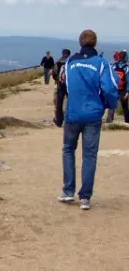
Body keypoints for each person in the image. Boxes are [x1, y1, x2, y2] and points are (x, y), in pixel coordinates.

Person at [58, 30, 118, 210]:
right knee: (89, 155)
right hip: (93, 114)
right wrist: (107, 105)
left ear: (80, 42)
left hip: (73, 113)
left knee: (68, 150)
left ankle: (68, 191)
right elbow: (110, 88)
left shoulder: (70, 62)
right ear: (95, 43)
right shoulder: (101, 63)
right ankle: (85, 197)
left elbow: (64, 85)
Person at [105, 50, 129, 124]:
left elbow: (109, 78)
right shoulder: (126, 68)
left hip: (114, 89)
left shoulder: (113, 66)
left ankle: (109, 121)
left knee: (112, 106)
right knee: (125, 107)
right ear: (125, 57)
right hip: (123, 90)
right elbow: (128, 80)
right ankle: (127, 121)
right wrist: (128, 91)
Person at [51, 49, 71, 127]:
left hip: (59, 84)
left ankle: (58, 120)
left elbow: (54, 73)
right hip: (68, 85)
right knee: (67, 102)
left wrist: (57, 80)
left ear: (62, 53)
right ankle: (67, 119)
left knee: (58, 103)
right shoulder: (70, 62)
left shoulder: (58, 62)